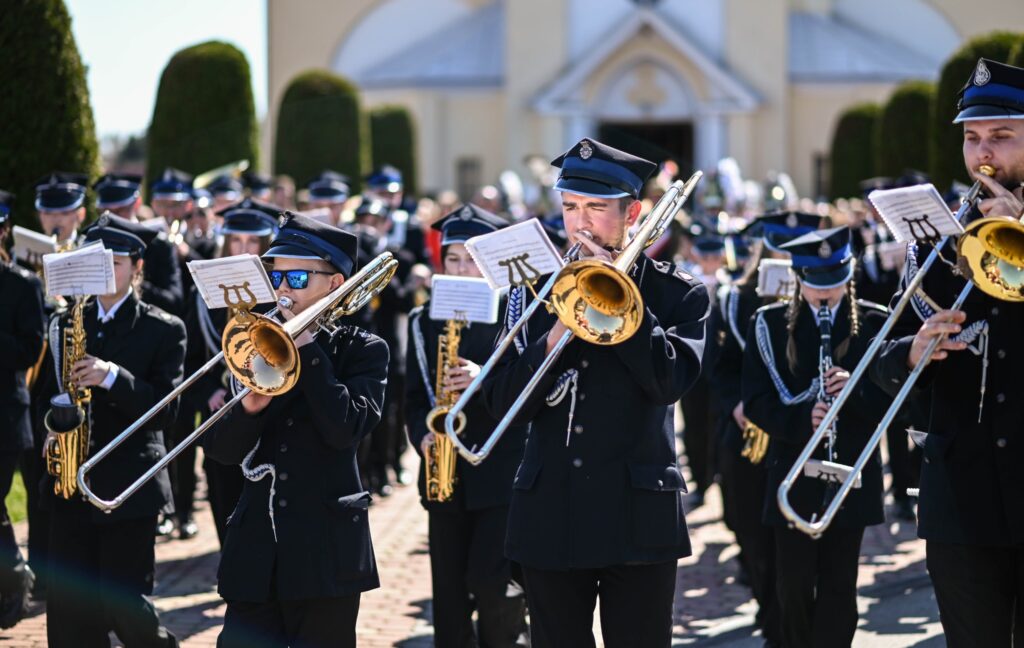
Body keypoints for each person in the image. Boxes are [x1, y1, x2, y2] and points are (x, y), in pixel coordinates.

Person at [482, 138, 710, 647]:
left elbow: (669, 382)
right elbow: (500, 404)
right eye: (570, 207)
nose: (580, 223)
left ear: (632, 213)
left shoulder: (679, 294)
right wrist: (553, 336)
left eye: (596, 208)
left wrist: (622, 303)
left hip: (638, 513)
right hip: (551, 511)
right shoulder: (533, 292)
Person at [870, 57, 1024, 646]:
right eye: (972, 137)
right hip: (961, 502)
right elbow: (883, 360)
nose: (984, 154)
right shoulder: (935, 240)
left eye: (1002, 137)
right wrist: (912, 353)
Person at [203, 212, 388, 648]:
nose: (283, 291)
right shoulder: (254, 343)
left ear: (335, 283)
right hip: (256, 549)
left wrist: (305, 349)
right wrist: (249, 405)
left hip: (326, 549)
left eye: (299, 277)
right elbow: (222, 452)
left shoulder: (363, 350)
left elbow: (347, 429)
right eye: (277, 277)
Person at [39, 213, 185, 647]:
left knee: (119, 603)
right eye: (97, 263)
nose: (105, 273)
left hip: (128, 485)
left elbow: (166, 411)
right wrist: (54, 430)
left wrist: (111, 377)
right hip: (70, 480)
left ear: (138, 267)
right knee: (67, 608)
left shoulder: (163, 328)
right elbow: (52, 391)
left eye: (116, 263)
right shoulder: (66, 323)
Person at [742, 226, 887, 647]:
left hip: (852, 473)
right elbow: (755, 400)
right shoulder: (767, 324)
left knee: (841, 586)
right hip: (793, 471)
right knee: (794, 585)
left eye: (836, 285)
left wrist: (855, 390)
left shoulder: (874, 321)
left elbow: (891, 404)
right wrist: (804, 419)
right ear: (798, 279)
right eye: (815, 286)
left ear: (850, 276)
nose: (825, 295)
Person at [406, 203, 528, 647]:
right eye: (452, 259)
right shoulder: (423, 321)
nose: (461, 268)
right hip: (444, 470)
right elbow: (414, 395)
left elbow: (528, 387)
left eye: (472, 260)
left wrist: (482, 378)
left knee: (494, 583)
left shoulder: (517, 316)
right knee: (449, 590)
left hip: (501, 467)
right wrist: (419, 433)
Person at [710, 211, 822, 647]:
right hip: (747, 437)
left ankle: (796, 624)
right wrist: (736, 405)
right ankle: (770, 614)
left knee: (796, 545)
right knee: (753, 535)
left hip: (802, 437)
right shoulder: (735, 299)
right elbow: (718, 370)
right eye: (780, 250)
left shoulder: (825, 295)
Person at [180, 199, 280, 544]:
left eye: (253, 242)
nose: (243, 249)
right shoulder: (203, 296)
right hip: (221, 413)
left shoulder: (280, 295)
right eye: (236, 241)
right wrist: (209, 391)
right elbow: (190, 358)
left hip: (269, 412)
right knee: (222, 486)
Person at [0, 190, 45, 627]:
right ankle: (13, 575)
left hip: (5, 417)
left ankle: (14, 578)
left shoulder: (22, 283)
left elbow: (31, 349)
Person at [94, 172, 184, 316]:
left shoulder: (159, 245)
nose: (113, 218)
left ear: (136, 204)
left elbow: (174, 301)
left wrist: (130, 281)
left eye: (120, 210)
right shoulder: (93, 244)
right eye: (105, 212)